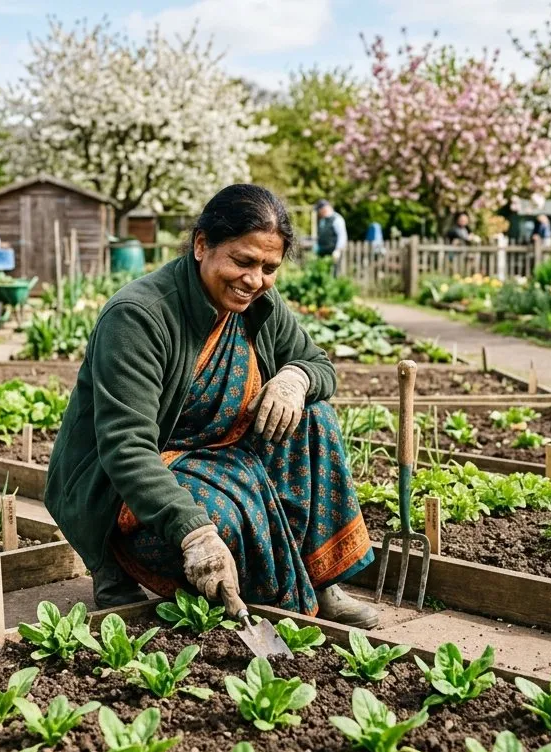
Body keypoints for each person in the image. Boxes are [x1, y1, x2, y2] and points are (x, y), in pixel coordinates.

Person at [45, 184, 378, 629]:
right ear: (202, 245)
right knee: (220, 525)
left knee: (314, 417)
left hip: (223, 453)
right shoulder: (139, 317)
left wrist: (295, 379)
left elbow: (318, 365)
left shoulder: (258, 304)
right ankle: (113, 564)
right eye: (242, 261)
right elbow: (127, 447)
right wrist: (195, 532)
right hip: (131, 476)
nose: (254, 279)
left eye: (269, 268)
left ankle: (319, 579)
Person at [313, 199, 347, 275]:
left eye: (319, 210)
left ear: (323, 209)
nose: (318, 213)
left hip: (333, 254)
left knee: (334, 274)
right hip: (322, 254)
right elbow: (321, 235)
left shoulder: (337, 219)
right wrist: (317, 246)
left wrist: (338, 250)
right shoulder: (323, 221)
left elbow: (342, 236)